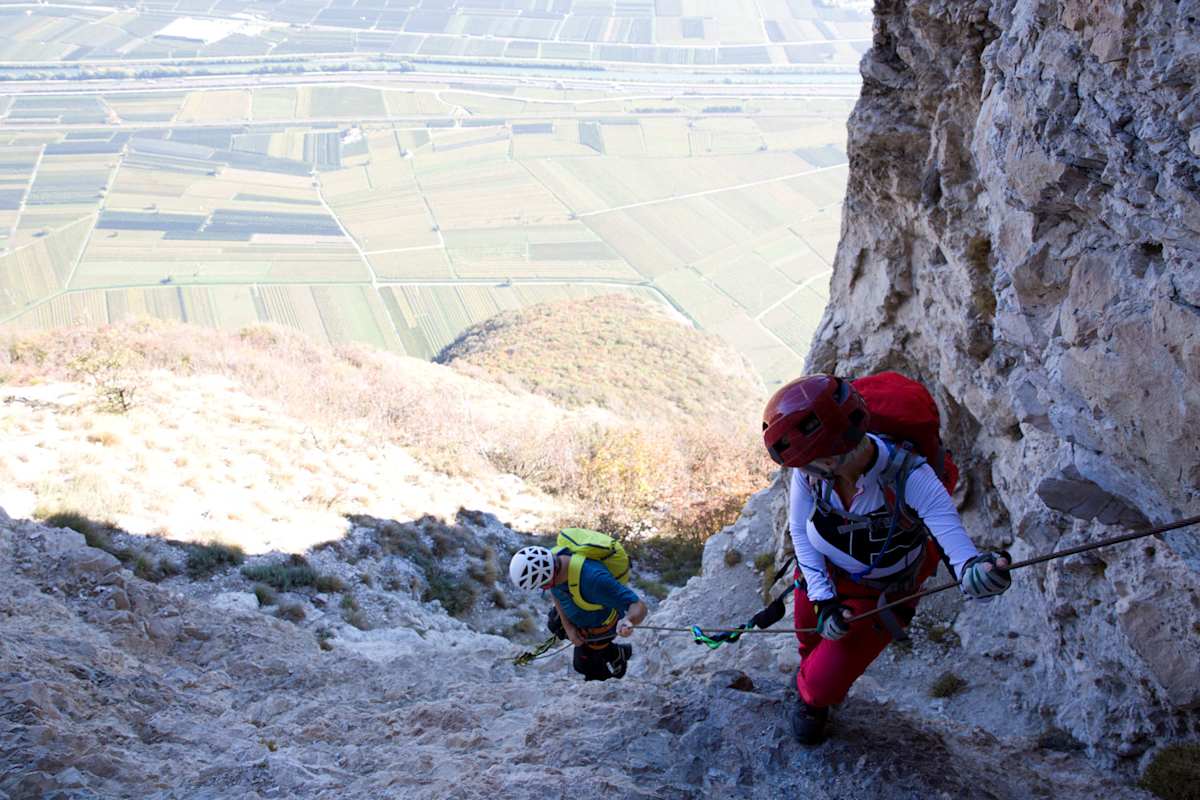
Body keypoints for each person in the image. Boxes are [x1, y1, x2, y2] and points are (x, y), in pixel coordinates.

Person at [762, 374, 1012, 744]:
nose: (802, 472)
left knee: (820, 685)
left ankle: (813, 699)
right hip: (822, 575)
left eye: (809, 464)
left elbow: (958, 551)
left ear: (831, 458)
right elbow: (800, 531)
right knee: (809, 642)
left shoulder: (912, 477)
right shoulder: (811, 471)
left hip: (879, 592)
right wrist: (824, 599)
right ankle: (811, 679)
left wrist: (982, 577)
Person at [509, 544, 648, 681]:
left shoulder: (594, 580)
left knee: (583, 665)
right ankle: (616, 653)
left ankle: (609, 685)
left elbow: (638, 605)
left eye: (542, 586)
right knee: (555, 624)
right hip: (582, 611)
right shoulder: (553, 559)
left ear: (548, 581)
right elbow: (556, 592)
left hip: (603, 623)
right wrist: (569, 628)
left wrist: (629, 620)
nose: (544, 588)